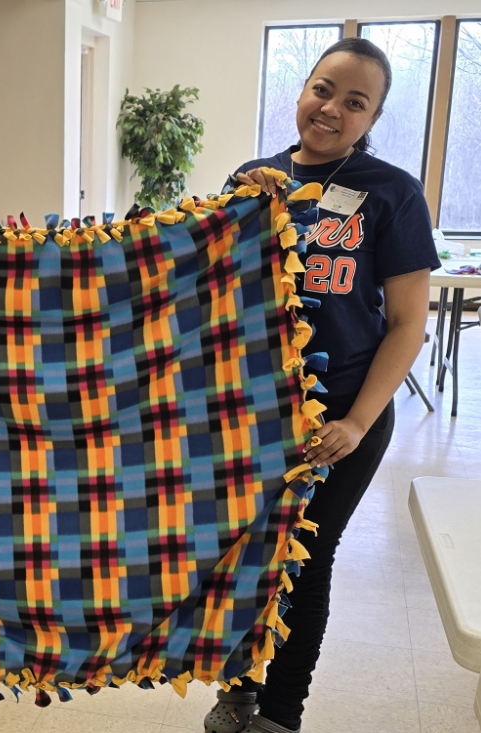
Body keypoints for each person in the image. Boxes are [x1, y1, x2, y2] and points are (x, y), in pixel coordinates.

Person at [204, 37, 440, 733]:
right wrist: (239, 216)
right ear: (302, 90)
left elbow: (403, 325)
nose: (331, 108)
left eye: (354, 101)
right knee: (245, 556)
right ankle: (237, 690)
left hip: (341, 413)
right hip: (254, 414)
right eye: (322, 88)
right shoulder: (251, 181)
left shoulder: (390, 192)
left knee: (304, 560)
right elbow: (215, 303)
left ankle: (279, 713)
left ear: (372, 119)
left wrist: (358, 423)